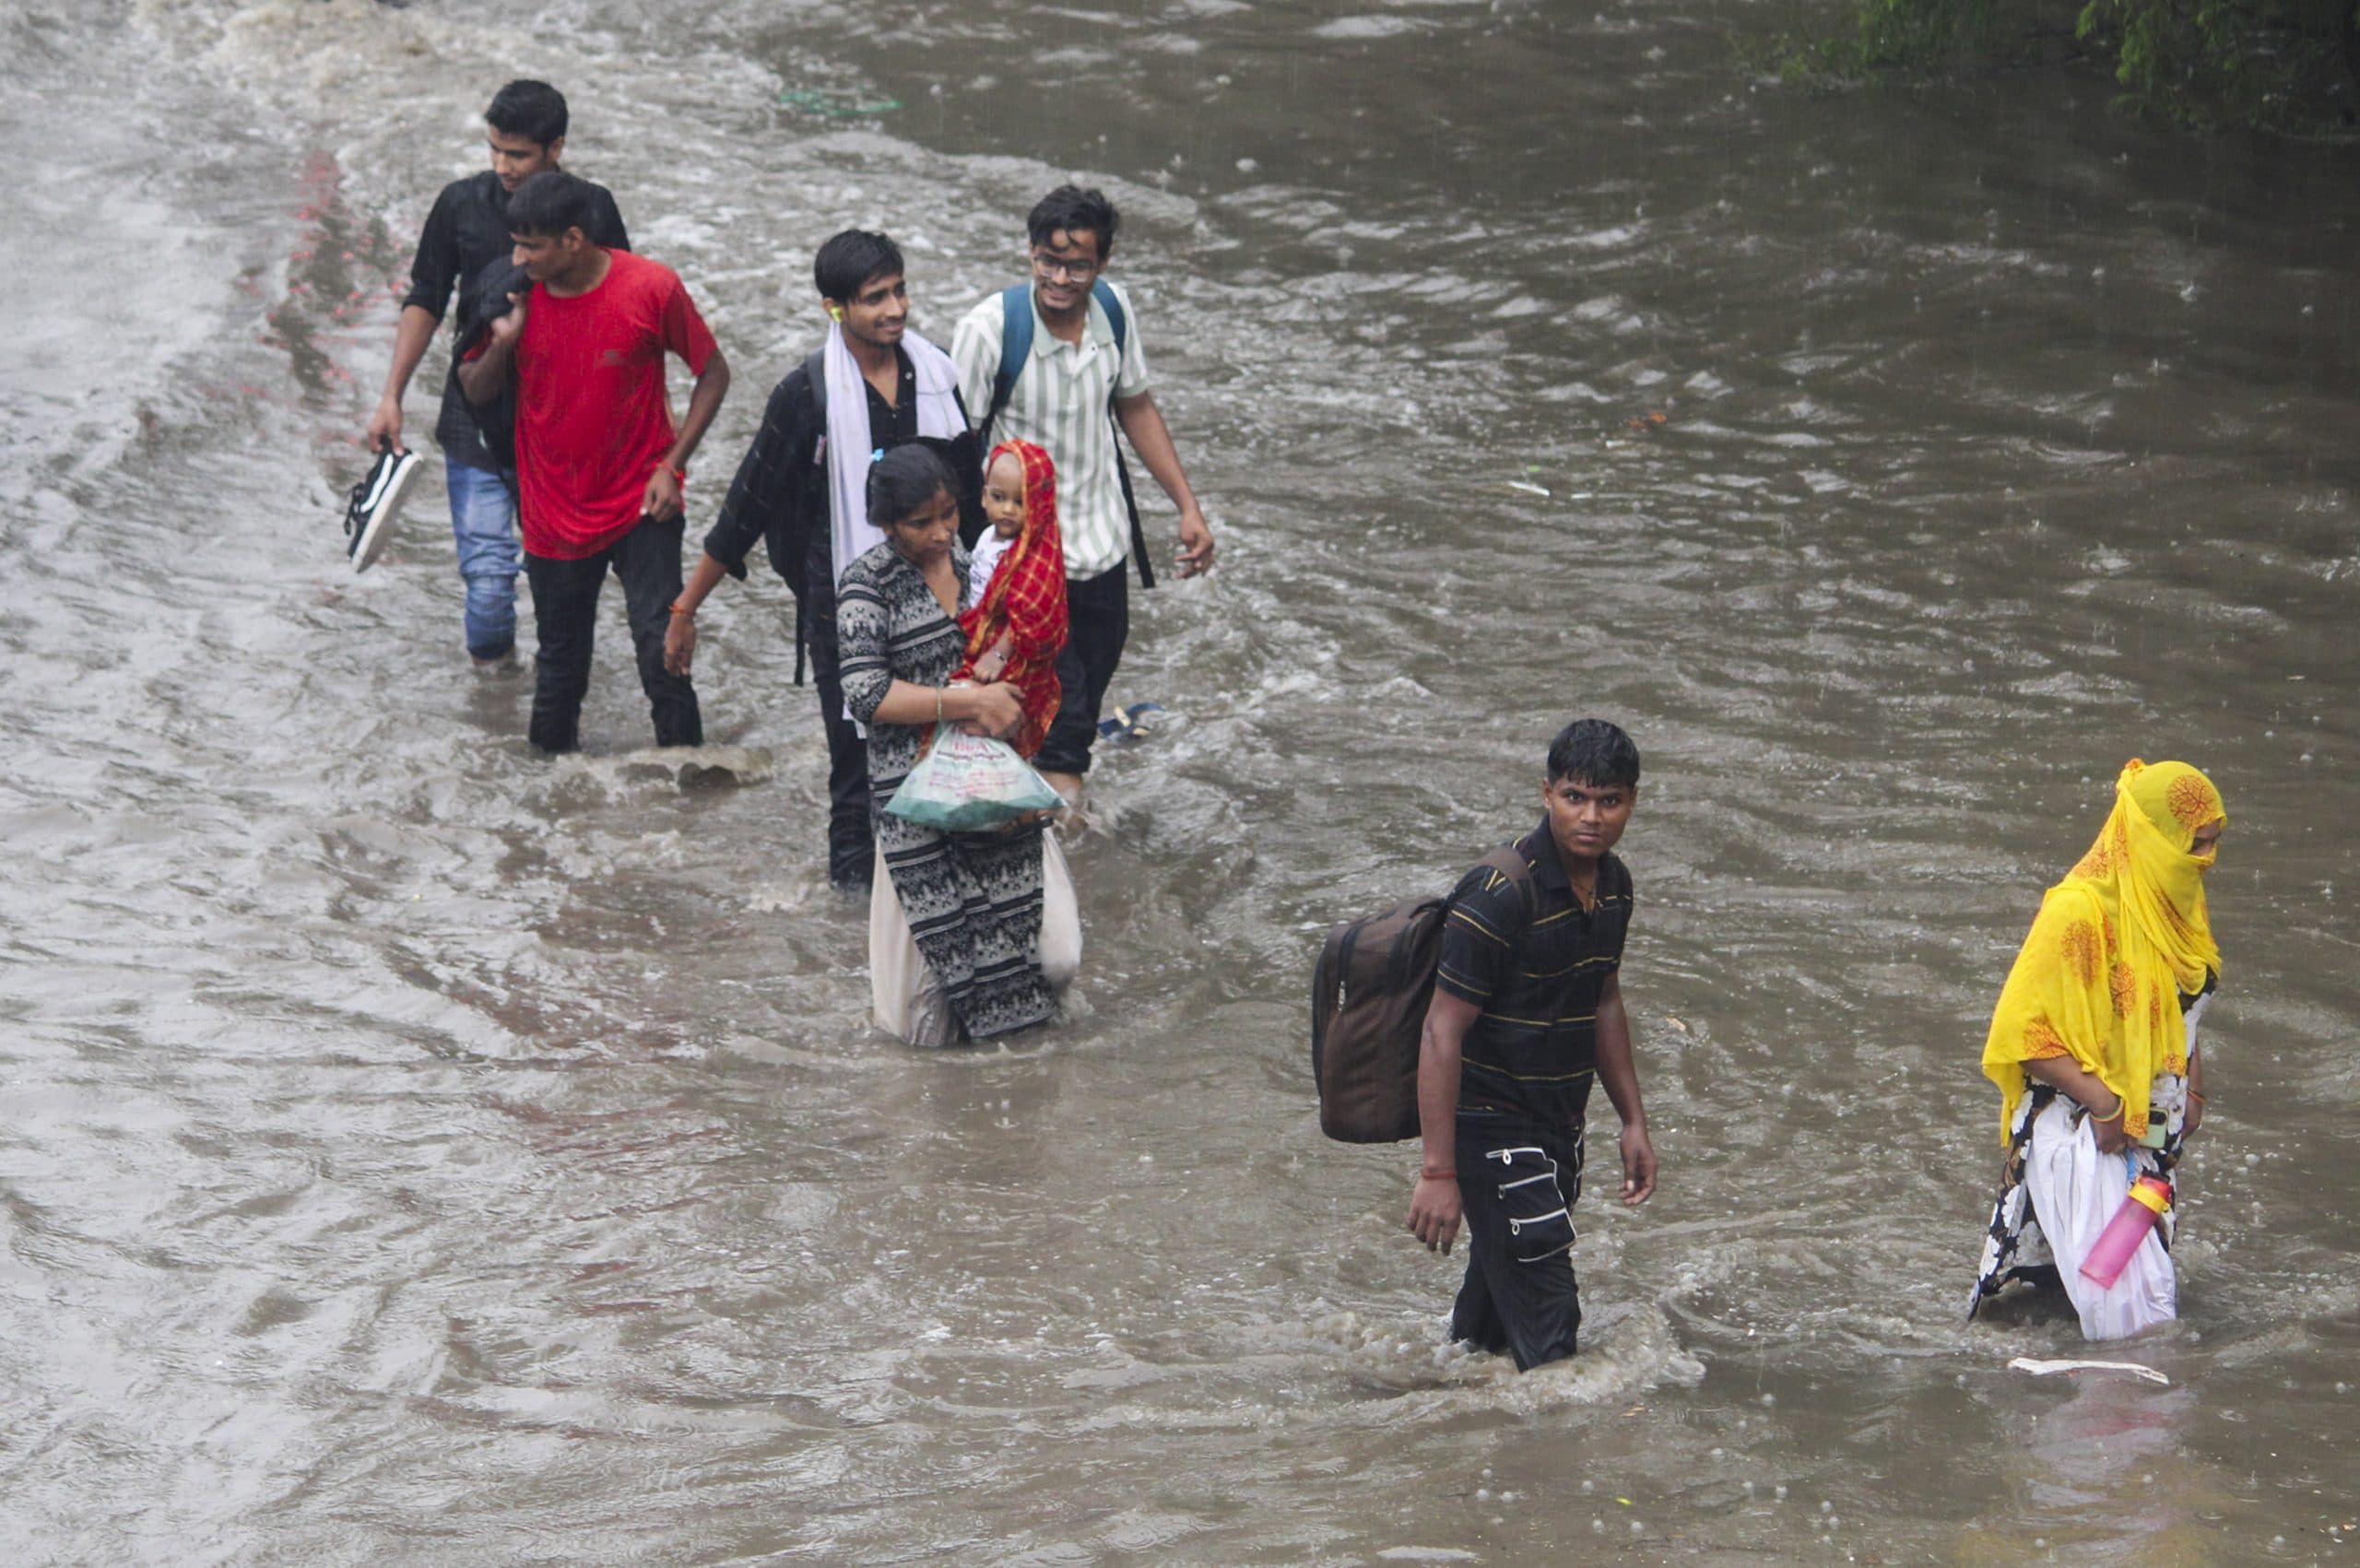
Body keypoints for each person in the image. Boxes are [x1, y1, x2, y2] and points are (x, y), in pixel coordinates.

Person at [667, 231, 980, 894]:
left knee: (952, 747)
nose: (895, 309)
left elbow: (973, 501)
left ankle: (938, 894)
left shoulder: (940, 376)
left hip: (945, 596)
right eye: (875, 299)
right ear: (834, 308)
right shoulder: (806, 396)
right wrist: (686, 607)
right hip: (846, 607)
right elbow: (745, 507)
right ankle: (854, 921)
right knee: (857, 768)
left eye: (899, 291)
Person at [1404, 719, 1658, 1372]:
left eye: (1609, 800)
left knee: (1485, 1328)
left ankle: (1448, 1421)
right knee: (1552, 1332)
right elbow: (1441, 1030)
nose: (1592, 817)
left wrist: (1633, 1119)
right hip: (1488, 1124)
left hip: (1559, 1125)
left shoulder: (1615, 888)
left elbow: (1603, 999)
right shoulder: (1496, 895)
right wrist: (1439, 1170)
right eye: (1575, 797)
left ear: (1632, 801)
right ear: (1546, 794)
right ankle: (1558, 1462)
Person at [950, 185, 1215, 808]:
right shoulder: (989, 331)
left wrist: (1187, 506)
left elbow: (1135, 405)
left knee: (1083, 693)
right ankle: (1064, 858)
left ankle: (1031, 811)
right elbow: (953, 451)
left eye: (1077, 265)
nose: (1060, 278)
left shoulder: (1114, 314)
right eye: (1047, 260)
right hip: (1026, 565)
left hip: (1103, 546)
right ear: (1030, 253)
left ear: (1105, 262)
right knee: (1065, 727)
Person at [457, 171, 729, 754]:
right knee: (559, 673)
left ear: (574, 240)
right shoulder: (510, 294)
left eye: (532, 245)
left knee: (663, 652)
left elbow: (713, 373)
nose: (518, 256)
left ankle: (691, 795)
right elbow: (472, 391)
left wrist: (671, 464)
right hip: (553, 513)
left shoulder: (651, 288)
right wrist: (505, 342)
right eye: (516, 242)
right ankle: (546, 815)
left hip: (641, 502)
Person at [365, 79, 631, 668]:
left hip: (563, 430)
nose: (502, 166)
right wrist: (392, 396)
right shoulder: (460, 204)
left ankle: (545, 712)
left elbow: (622, 305)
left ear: (555, 148)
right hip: (476, 418)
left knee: (559, 585)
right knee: (487, 587)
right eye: (494, 150)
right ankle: (493, 705)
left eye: (518, 154)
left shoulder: (594, 209)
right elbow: (426, 299)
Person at [1968, 759, 2227, 1340]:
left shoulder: (2175, 902)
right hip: (2086, 1131)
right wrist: (2106, 1105)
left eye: (2215, 843)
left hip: (2152, 1135)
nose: (2208, 860)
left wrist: (2196, 1089)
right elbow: (2021, 1034)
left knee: (2107, 1301)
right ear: (2154, 839)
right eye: (2197, 845)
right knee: (2136, 1328)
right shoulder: (2078, 911)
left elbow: (2184, 1009)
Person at [837, 445, 1075, 1045]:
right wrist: (966, 702)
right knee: (919, 1022)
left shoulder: (984, 565)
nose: (943, 533)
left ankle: (1023, 1107)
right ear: (887, 524)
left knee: (1052, 957)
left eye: (950, 514)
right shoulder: (867, 584)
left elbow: (1028, 648)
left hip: (996, 793)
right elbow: (866, 693)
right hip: (914, 803)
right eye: (923, 523)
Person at [952, 439, 1066, 760]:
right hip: (977, 634)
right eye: (999, 498)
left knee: (996, 728)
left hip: (1007, 654)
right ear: (984, 494)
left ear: (1040, 503)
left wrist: (998, 656)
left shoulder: (1033, 557)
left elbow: (1031, 615)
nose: (1007, 510)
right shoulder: (987, 536)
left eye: (1020, 501)